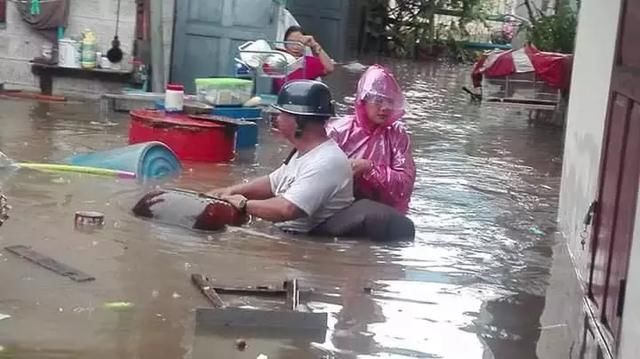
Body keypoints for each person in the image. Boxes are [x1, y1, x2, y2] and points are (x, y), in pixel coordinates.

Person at [208, 80, 353, 234]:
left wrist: (244, 204)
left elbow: (287, 209)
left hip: (297, 244)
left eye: (282, 114)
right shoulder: (305, 152)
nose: (277, 119)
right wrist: (227, 192)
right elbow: (272, 183)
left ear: (299, 121)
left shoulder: (326, 162)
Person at [327, 65, 416, 213]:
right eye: (378, 100)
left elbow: (405, 186)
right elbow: (314, 176)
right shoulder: (338, 130)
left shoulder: (397, 134)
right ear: (363, 100)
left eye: (390, 101)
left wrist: (369, 168)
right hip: (339, 209)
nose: (385, 107)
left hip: (383, 212)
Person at [273, 26, 335, 93]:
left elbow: (329, 68)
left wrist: (314, 45)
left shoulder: (309, 62)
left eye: (299, 42)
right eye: (291, 42)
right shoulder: (276, 57)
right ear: (284, 43)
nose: (295, 47)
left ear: (305, 44)